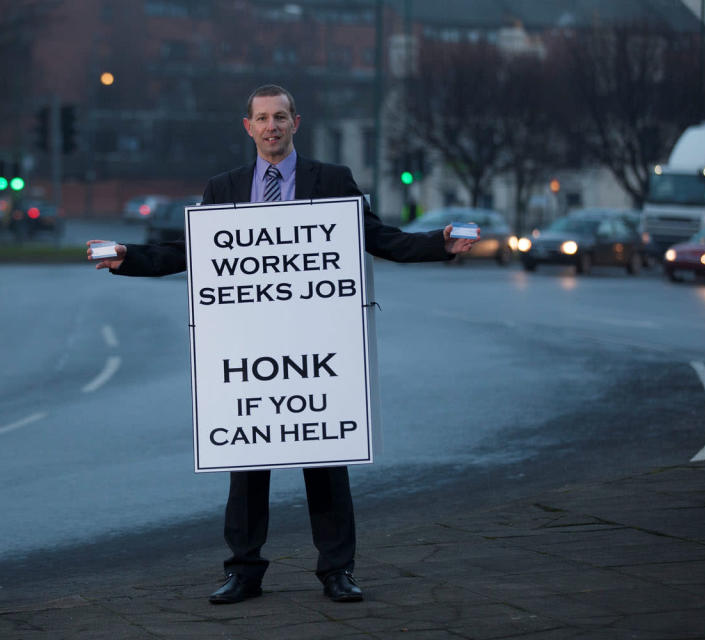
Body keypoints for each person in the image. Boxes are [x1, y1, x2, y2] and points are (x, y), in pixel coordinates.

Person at [87, 84, 479, 604]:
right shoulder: (223, 187)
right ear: (247, 127)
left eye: (281, 117)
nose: (272, 126)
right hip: (248, 343)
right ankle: (243, 572)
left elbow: (378, 238)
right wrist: (128, 258)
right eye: (262, 118)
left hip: (318, 342)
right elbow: (189, 252)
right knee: (247, 458)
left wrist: (439, 244)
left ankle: (338, 570)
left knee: (326, 454)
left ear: (297, 122)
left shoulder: (332, 181)